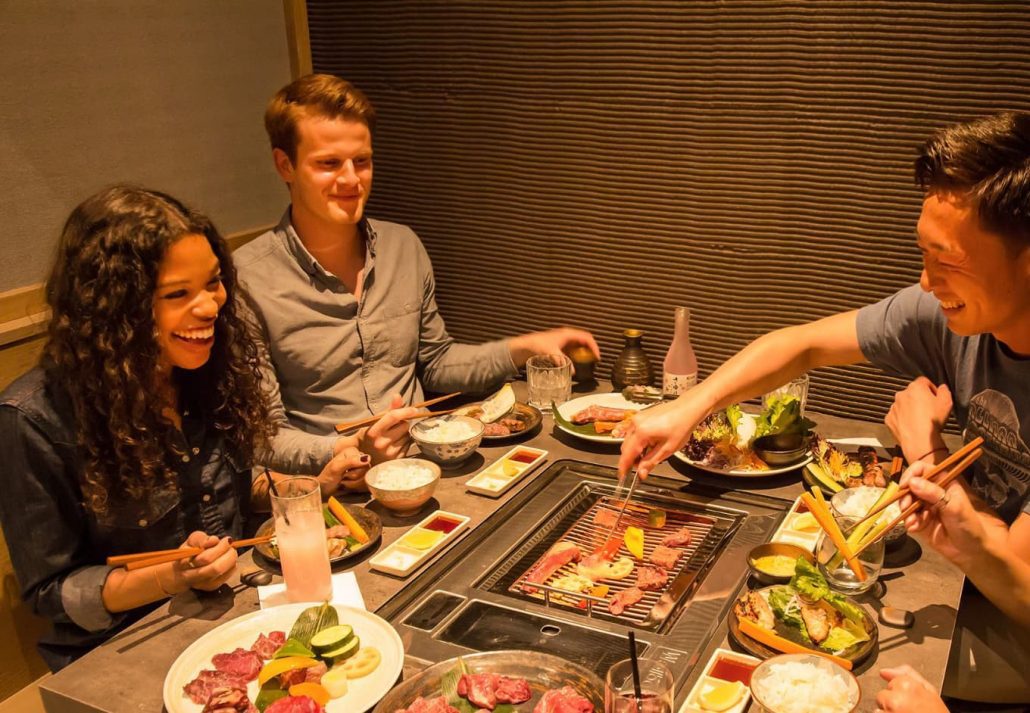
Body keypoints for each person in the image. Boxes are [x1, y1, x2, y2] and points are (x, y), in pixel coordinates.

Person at [619, 111, 1030, 703]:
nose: (926, 280)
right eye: (923, 255)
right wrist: (688, 407)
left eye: (948, 261)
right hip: (977, 570)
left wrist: (929, 455)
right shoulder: (953, 313)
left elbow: (1018, 585)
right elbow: (802, 343)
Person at [234, 74, 599, 479]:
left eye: (362, 161)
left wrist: (522, 348)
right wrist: (348, 447)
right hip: (333, 490)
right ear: (285, 165)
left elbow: (436, 363)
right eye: (328, 164)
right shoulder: (246, 280)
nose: (352, 180)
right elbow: (264, 435)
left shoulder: (402, 247)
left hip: (424, 468)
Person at [0, 186, 277, 670]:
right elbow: (50, 591)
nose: (211, 307)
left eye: (213, 282)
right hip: (121, 654)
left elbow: (221, 492)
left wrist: (285, 490)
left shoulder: (204, 372)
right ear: (113, 308)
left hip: (231, 621)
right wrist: (173, 575)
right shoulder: (33, 418)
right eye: (177, 294)